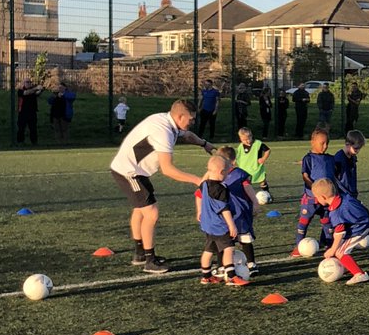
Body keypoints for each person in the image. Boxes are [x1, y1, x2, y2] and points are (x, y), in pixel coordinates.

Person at [109, 99, 215, 273]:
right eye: (191, 119)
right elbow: (168, 169)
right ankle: (150, 260)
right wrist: (198, 181)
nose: (193, 122)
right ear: (180, 116)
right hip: (129, 172)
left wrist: (204, 144)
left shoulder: (167, 121)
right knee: (151, 212)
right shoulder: (163, 131)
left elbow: (187, 135)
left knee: (140, 210)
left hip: (136, 171)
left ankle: (140, 254)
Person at [193, 155, 247, 287]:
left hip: (207, 225)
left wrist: (199, 211)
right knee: (228, 249)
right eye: (227, 174)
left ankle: (206, 276)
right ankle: (232, 276)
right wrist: (231, 225)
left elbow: (199, 195)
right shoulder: (221, 188)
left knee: (208, 250)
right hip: (219, 225)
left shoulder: (204, 184)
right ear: (221, 172)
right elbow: (224, 209)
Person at [312, 178, 369, 285]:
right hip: (360, 222)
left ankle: (360, 274)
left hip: (359, 227)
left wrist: (332, 250)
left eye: (316, 197)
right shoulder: (344, 196)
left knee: (340, 252)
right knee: (341, 249)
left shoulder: (335, 211)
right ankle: (346, 266)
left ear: (323, 197)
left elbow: (340, 234)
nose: (316, 200)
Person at [215, 146, 260, 276]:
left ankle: (252, 264)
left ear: (232, 162)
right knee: (223, 242)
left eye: (223, 161)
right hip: (224, 214)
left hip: (240, 213)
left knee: (245, 239)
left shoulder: (239, 174)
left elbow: (248, 188)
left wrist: (255, 202)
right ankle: (221, 266)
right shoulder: (217, 175)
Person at [291, 127, 335, 257]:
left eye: (327, 143)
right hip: (311, 198)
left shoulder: (330, 159)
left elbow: (334, 176)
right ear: (313, 142)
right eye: (322, 143)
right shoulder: (308, 158)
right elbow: (305, 176)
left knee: (327, 223)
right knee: (303, 223)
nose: (325, 146)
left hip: (326, 199)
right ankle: (299, 246)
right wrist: (315, 188)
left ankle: (328, 244)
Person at [234, 127, 271, 194]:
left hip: (257, 167)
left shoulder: (258, 144)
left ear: (251, 136)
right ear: (240, 138)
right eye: (243, 140)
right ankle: (247, 196)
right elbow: (238, 155)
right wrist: (234, 161)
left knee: (262, 181)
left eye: (248, 139)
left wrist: (263, 158)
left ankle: (267, 194)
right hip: (245, 168)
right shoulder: (240, 146)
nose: (246, 141)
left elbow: (268, 150)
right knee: (246, 183)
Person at [332, 129, 365, 198]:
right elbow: (332, 177)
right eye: (356, 148)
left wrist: (354, 189)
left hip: (351, 194)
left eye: (359, 148)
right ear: (347, 144)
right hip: (342, 195)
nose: (358, 151)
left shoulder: (353, 158)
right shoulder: (339, 158)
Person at [16, 78, 43, 145]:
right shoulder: (20, 90)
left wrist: (41, 89)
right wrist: (36, 88)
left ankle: (34, 142)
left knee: (33, 128)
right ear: (23, 83)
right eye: (27, 82)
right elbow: (26, 93)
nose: (29, 83)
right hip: (23, 112)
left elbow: (37, 94)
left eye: (30, 82)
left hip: (32, 112)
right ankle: (20, 142)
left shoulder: (33, 91)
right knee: (21, 128)